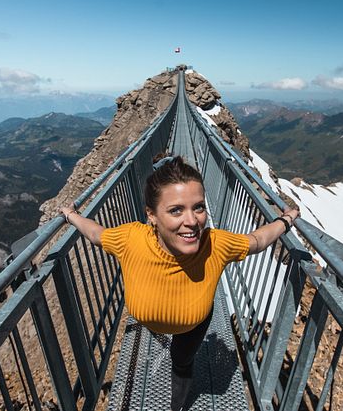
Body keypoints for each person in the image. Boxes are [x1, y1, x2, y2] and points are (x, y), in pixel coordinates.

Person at [61, 155, 299, 411]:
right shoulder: (131, 239)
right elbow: (96, 234)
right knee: (182, 357)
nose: (192, 221)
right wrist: (72, 216)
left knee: (182, 362)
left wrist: (286, 221)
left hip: (194, 324)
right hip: (178, 320)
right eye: (176, 210)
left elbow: (257, 241)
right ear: (151, 215)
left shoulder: (215, 244)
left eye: (198, 207)